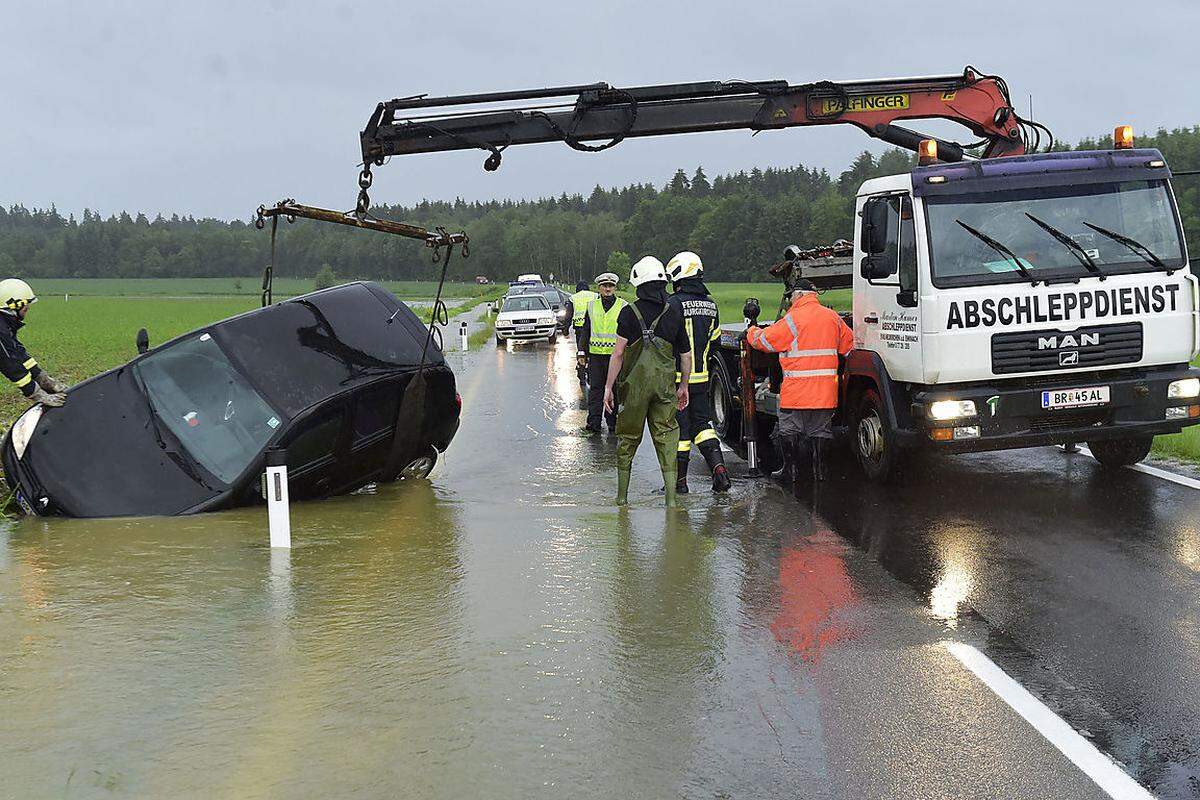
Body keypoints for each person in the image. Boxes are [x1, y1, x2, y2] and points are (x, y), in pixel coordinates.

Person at [603, 257, 692, 508]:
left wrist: (608, 387)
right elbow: (685, 354)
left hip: (634, 390)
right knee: (667, 438)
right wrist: (683, 385)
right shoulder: (674, 311)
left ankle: (622, 499)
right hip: (665, 388)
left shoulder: (628, 312)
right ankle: (672, 502)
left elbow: (618, 353)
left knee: (628, 439)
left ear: (639, 283)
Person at [746, 279, 853, 484]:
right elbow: (848, 347)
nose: (791, 299)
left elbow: (766, 341)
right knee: (821, 430)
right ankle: (820, 471)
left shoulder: (793, 318)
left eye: (792, 295)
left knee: (789, 429)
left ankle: (791, 470)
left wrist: (751, 331)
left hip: (797, 392)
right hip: (825, 392)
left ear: (801, 295)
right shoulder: (832, 317)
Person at [665, 251, 730, 494]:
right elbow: (715, 342)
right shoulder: (711, 305)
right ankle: (720, 470)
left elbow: (665, 343)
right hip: (701, 379)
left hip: (678, 380)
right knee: (703, 425)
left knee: (680, 432)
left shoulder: (672, 304)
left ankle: (679, 483)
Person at [0, 279, 67, 407]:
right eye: (26, 305)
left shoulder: (5, 324)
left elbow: (17, 352)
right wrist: (36, 393)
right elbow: (10, 364)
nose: (28, 308)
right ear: (15, 305)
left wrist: (42, 378)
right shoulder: (1, 330)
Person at [577, 272, 627, 434]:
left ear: (615, 287)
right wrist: (581, 351)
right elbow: (586, 330)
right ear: (599, 288)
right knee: (596, 391)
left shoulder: (623, 306)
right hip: (596, 356)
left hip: (616, 356)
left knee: (615, 390)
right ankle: (594, 424)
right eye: (605, 286)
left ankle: (613, 423)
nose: (608, 288)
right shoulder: (592, 306)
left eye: (610, 286)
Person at [570, 280, 599, 391]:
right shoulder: (595, 296)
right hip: (594, 328)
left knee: (581, 352)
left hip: (580, 330)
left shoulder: (574, 298)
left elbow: (569, 314)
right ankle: (590, 373)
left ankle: (582, 375)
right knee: (592, 352)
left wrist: (565, 329)